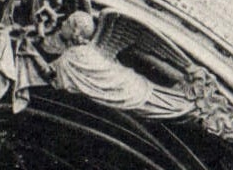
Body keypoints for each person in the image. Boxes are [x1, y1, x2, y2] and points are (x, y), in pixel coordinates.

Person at [23, 11, 195, 120]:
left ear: (76, 31)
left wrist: (30, 51)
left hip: (125, 89)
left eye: (67, 22)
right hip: (129, 84)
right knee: (155, 101)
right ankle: (185, 102)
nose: (62, 24)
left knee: (153, 104)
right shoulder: (85, 50)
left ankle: (187, 104)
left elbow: (49, 74)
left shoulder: (71, 56)